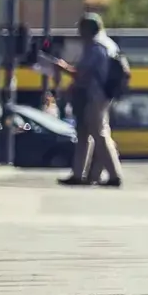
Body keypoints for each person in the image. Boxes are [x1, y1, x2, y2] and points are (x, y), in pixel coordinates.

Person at [55, 13, 123, 187]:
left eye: (81, 29)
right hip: (102, 95)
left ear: (88, 29)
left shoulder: (95, 46)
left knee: (98, 134)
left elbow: (83, 73)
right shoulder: (109, 44)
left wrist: (63, 67)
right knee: (85, 134)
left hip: (93, 95)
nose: (79, 33)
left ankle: (114, 175)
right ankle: (83, 174)